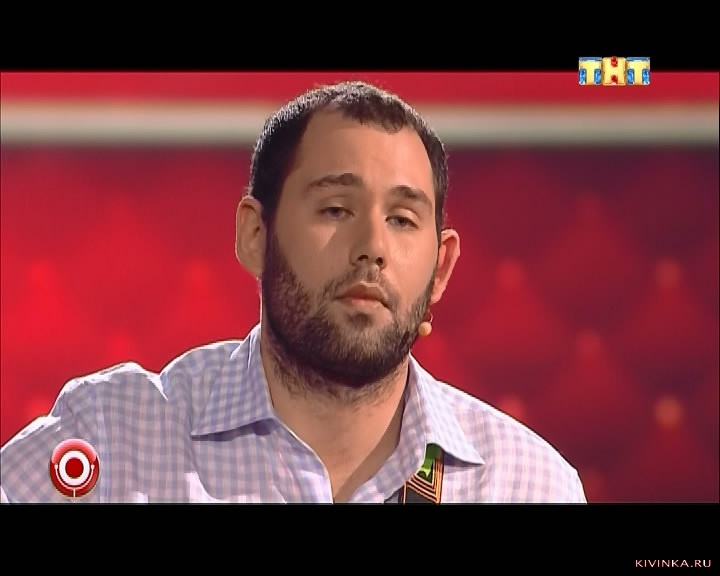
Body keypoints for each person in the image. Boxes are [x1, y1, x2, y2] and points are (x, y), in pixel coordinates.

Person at [0, 80, 586, 503]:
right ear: (255, 235)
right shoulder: (111, 438)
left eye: (402, 219)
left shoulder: (529, 484)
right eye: (335, 209)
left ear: (440, 269)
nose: (372, 247)